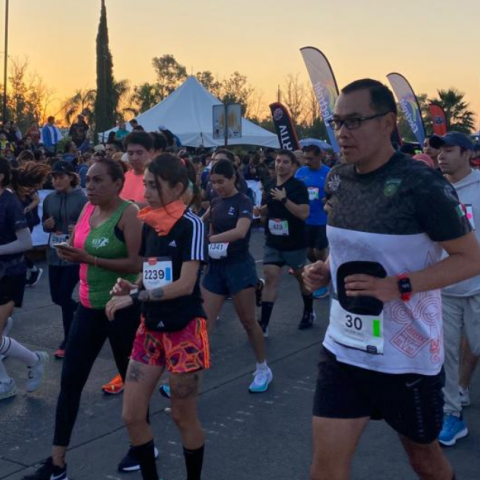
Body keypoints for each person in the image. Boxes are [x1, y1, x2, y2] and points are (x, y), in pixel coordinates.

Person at [303, 78, 480, 480]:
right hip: (344, 349)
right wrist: (324, 269)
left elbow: (470, 259)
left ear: (387, 123)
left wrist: (398, 285)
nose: (343, 132)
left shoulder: (422, 185)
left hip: (406, 357)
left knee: (426, 463)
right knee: (324, 470)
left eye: (354, 121)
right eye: (337, 122)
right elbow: (350, 249)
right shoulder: (337, 178)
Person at [23, 158, 144, 480]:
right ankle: (57, 463)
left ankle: (141, 446)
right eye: (88, 180)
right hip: (88, 308)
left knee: (132, 385)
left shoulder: (129, 213)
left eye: (98, 180)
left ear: (118, 183)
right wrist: (69, 248)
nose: (90, 186)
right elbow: (79, 242)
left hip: (122, 309)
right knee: (69, 384)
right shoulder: (88, 210)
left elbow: (137, 262)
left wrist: (89, 258)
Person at [106, 153, 208, 480]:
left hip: (185, 330)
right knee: (132, 415)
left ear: (178, 188)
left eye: (154, 185)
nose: (146, 192)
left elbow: (186, 283)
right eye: (146, 184)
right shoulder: (150, 221)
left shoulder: (192, 224)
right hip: (150, 328)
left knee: (182, 417)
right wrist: (131, 286)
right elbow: (152, 274)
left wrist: (137, 296)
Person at [427, 132, 480, 446]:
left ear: (468, 153)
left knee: (476, 347)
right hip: (443, 287)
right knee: (444, 356)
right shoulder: (434, 189)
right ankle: (452, 415)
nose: (441, 156)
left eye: (449, 150)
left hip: (478, 286)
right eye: (439, 151)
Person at [201, 159, 272, 392]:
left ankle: (263, 368)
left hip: (239, 267)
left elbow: (241, 231)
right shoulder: (215, 201)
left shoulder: (244, 200)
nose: (217, 186)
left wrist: (208, 241)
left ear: (233, 178)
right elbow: (206, 225)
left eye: (221, 181)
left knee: (249, 322)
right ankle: (189, 373)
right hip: (216, 268)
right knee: (202, 324)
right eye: (213, 183)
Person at [101, 131, 154, 395]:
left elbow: (175, 205)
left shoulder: (158, 176)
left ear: (151, 152)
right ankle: (129, 369)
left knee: (154, 309)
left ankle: (160, 367)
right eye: (130, 153)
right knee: (132, 312)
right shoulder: (125, 179)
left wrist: (134, 207)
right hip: (129, 249)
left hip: (155, 248)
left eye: (139, 153)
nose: (133, 158)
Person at [0, 158, 49, 400]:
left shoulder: (10, 203)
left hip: (10, 275)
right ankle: (7, 379)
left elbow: (26, 242)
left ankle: (31, 363)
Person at [255, 149, 311, 336]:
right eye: (278, 161)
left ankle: (309, 311)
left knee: (301, 278)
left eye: (285, 162)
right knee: (270, 277)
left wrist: (285, 199)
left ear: (293, 166)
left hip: (295, 242)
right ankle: (264, 324)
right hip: (273, 241)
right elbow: (269, 210)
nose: (280, 165)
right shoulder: (270, 184)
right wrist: (260, 212)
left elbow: (304, 213)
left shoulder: (298, 187)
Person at [42, 161, 88, 358]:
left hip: (73, 255)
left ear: (70, 176)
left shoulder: (83, 199)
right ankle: (83, 313)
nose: (56, 180)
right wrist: (48, 225)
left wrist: (78, 228)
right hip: (54, 254)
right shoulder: (49, 198)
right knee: (56, 297)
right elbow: (45, 225)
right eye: (54, 177)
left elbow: (92, 225)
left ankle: (69, 340)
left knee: (63, 295)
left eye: (60, 176)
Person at [295, 145, 330, 298]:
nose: (307, 161)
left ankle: (325, 279)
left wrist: (328, 199)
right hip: (306, 219)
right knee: (309, 251)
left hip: (322, 218)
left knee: (319, 250)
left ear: (319, 157)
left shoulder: (328, 173)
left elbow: (335, 193)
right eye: (305, 158)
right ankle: (321, 271)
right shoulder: (301, 172)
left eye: (310, 158)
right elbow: (295, 190)